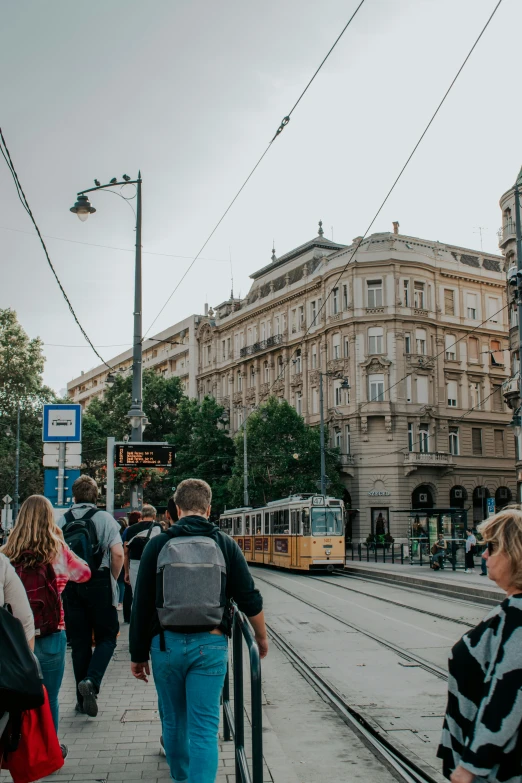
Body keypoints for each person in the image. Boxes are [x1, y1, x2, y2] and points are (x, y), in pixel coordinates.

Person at [130, 479, 268, 783]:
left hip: (165, 646)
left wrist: (138, 655)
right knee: (204, 728)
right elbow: (249, 596)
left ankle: (180, 777)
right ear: (209, 508)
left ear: (177, 509)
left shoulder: (158, 544)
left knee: (175, 723)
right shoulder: (224, 543)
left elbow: (141, 605)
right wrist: (261, 636)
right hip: (211, 645)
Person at [438, 507, 522, 783]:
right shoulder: (511, 609)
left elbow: (509, 689)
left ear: (515, 552)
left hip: (497, 769)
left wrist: (472, 765)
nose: (484, 554)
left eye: (492, 547)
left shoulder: (519, 615)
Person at [2, 495, 91, 749]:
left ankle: (20, 749)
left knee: (14, 695)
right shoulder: (57, 550)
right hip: (52, 632)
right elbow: (85, 574)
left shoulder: (7, 553)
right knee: (49, 697)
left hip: (14, 638)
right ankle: (49, 751)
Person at [57, 475, 124, 718]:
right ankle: (92, 682)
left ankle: (79, 699)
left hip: (71, 586)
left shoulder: (61, 520)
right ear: (95, 496)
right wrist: (112, 579)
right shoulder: (104, 518)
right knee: (107, 637)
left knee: (79, 643)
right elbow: (117, 554)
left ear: (74, 496)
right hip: (98, 582)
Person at [124, 504, 162, 593]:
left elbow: (125, 552)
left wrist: (126, 571)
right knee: (151, 593)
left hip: (134, 563)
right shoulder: (158, 527)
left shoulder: (131, 529)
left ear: (141, 515)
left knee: (136, 593)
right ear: (154, 516)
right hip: (153, 562)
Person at [117, 517, 128, 609]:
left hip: (114, 559)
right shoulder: (125, 534)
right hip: (124, 559)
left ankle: (117, 600)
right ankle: (120, 602)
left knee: (117, 581)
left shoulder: (116, 535)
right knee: (121, 582)